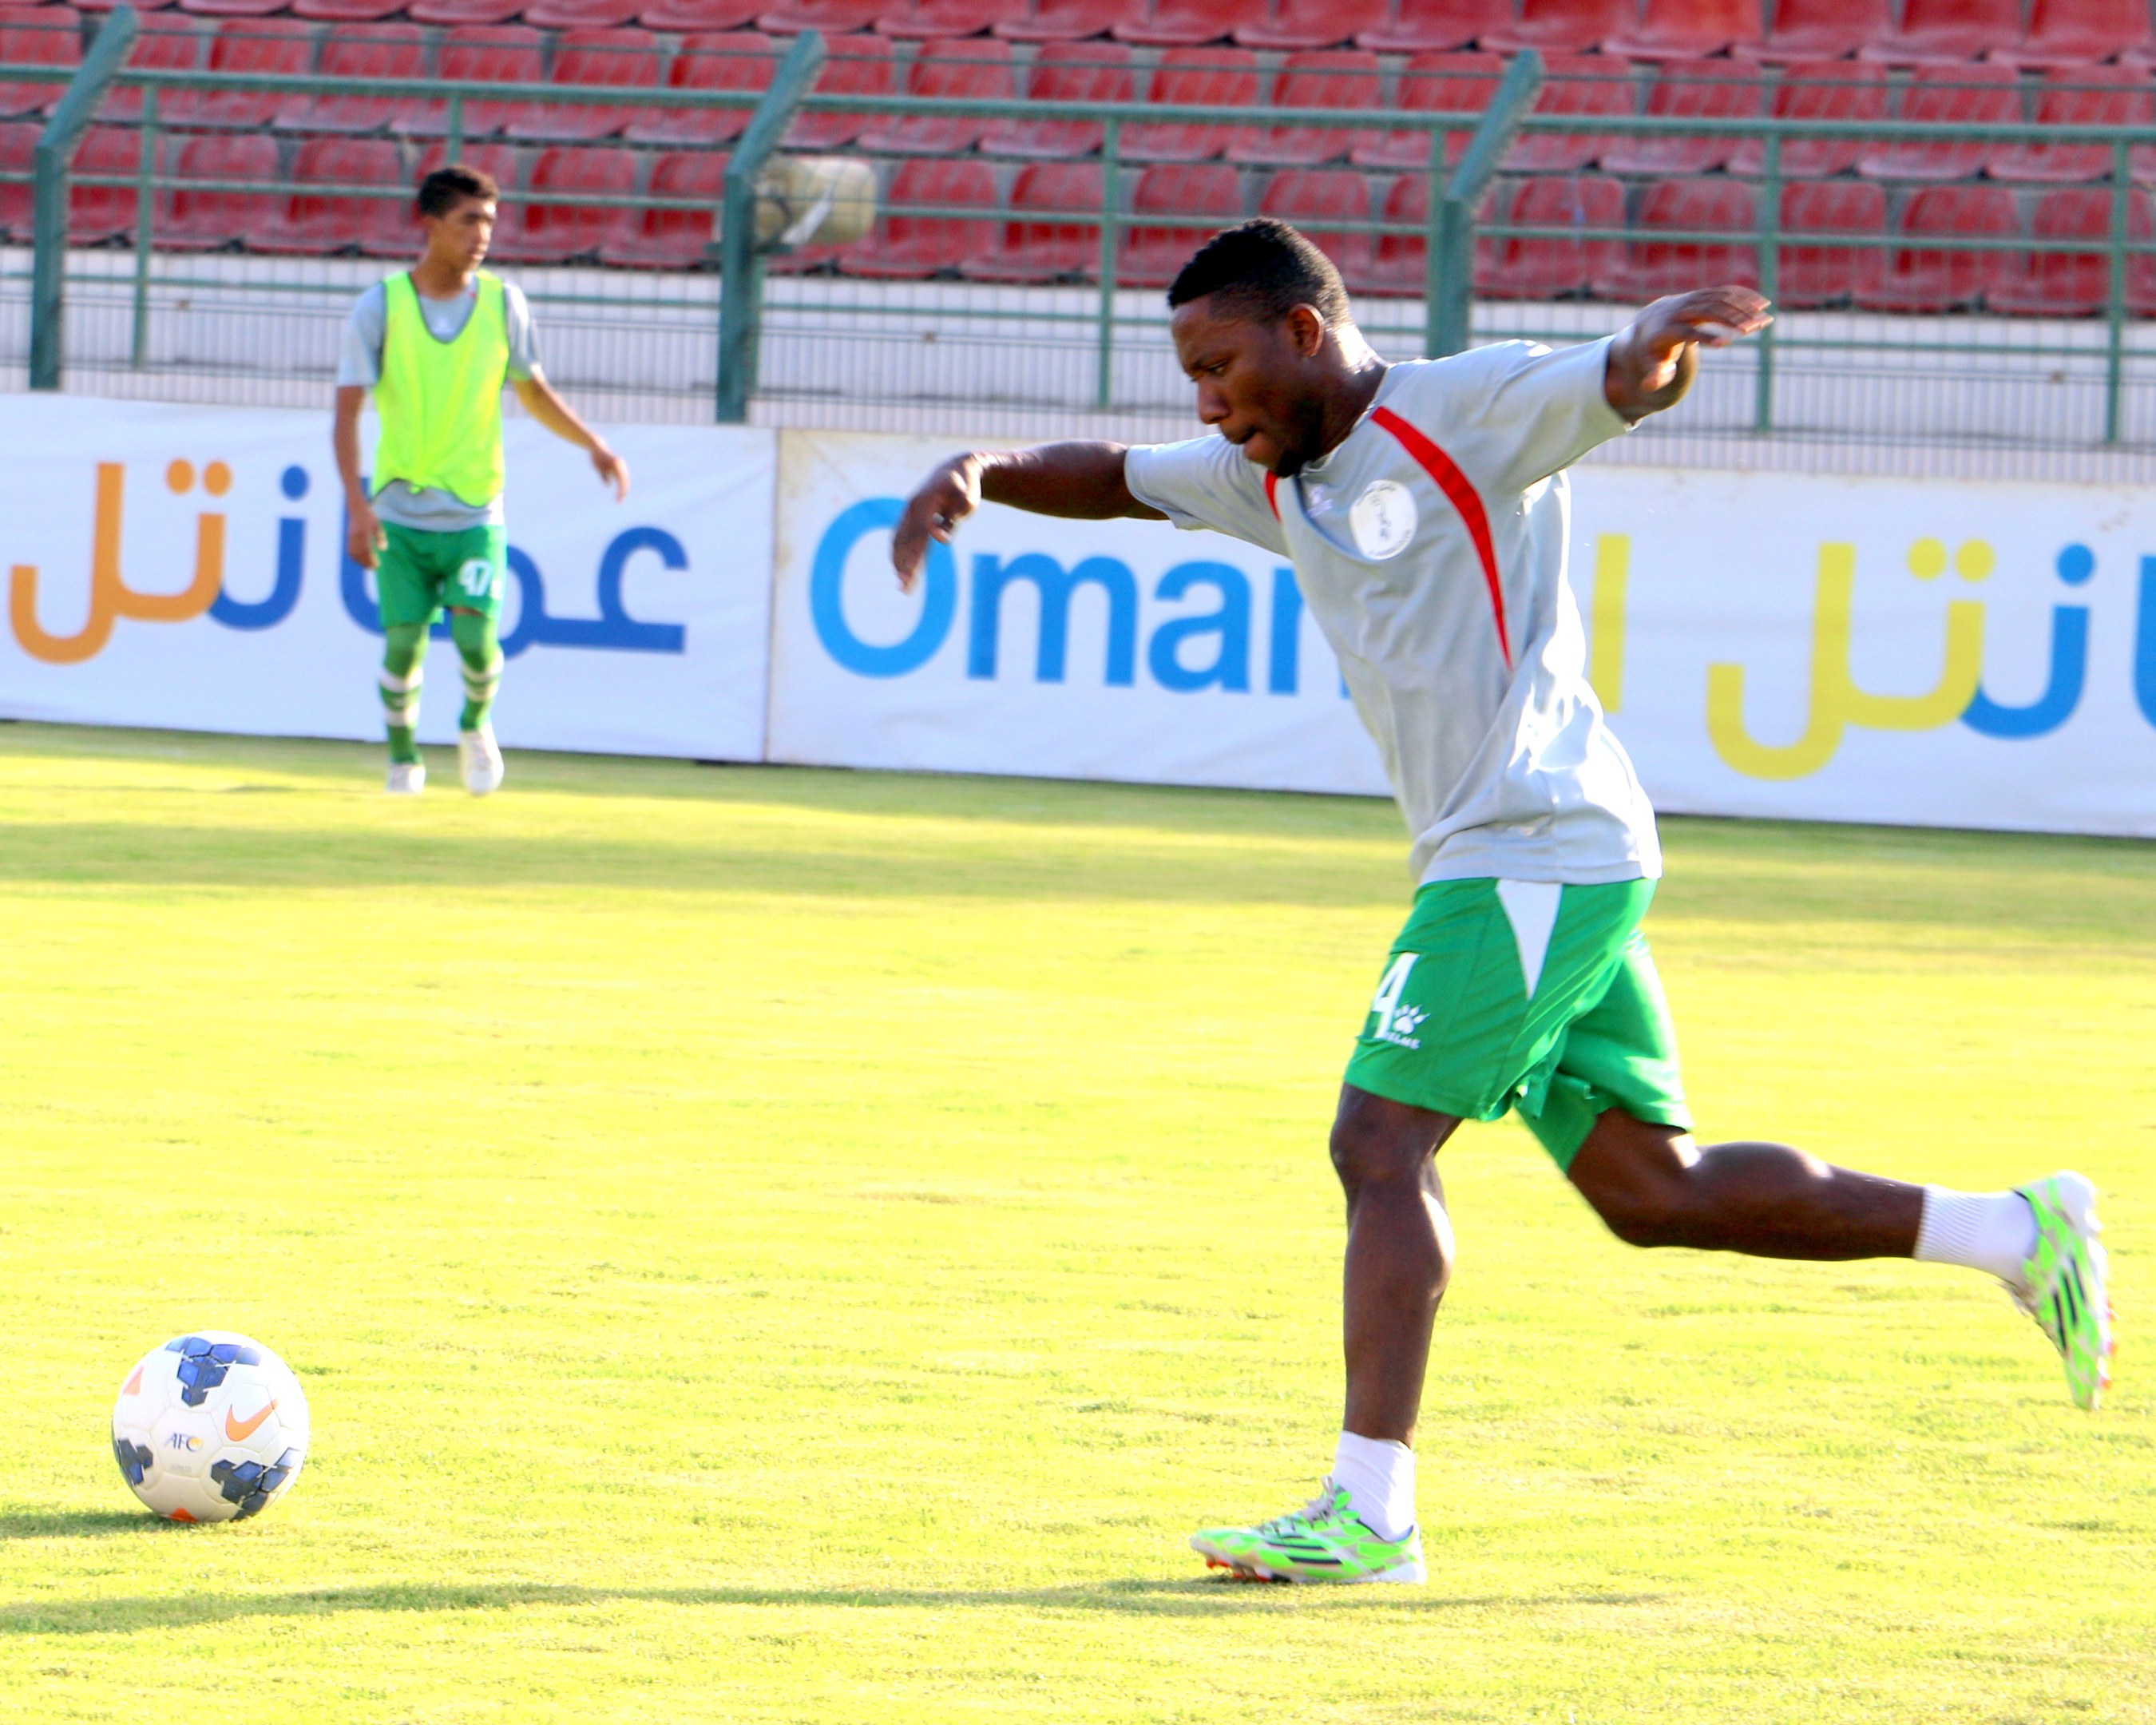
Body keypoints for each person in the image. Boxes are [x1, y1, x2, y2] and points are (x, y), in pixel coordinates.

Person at [890, 220, 2113, 1586]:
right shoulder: (1270, 473)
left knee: (1379, 1142)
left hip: (1531, 843)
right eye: (1192, 378)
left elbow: (1618, 379)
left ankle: (1371, 1513)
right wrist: (980, 472)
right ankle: (2013, 1229)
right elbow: (1117, 478)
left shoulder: (1466, 409)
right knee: (1654, 1192)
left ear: (1303, 332)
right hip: (1545, 854)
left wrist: (1654, 350)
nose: (1207, 402)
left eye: (1218, 367)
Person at [333, 164, 629, 797]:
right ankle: (404, 761)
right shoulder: (381, 306)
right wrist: (357, 506)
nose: (483, 235)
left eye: (490, 222)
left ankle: (474, 725)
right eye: (469, 221)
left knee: (475, 639)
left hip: (474, 510)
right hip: (400, 511)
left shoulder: (503, 303)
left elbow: (534, 391)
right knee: (403, 646)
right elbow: (345, 413)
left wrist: (593, 445)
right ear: (430, 225)